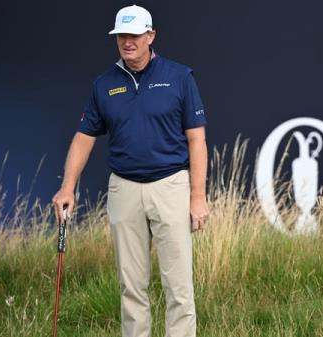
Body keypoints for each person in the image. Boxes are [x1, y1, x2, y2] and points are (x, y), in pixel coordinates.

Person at [52, 5, 208, 337]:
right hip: (124, 189)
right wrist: (68, 187)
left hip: (171, 186)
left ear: (150, 35)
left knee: (178, 286)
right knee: (131, 287)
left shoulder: (179, 77)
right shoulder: (104, 84)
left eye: (135, 35)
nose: (128, 42)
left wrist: (198, 197)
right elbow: (84, 138)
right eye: (122, 35)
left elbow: (197, 139)